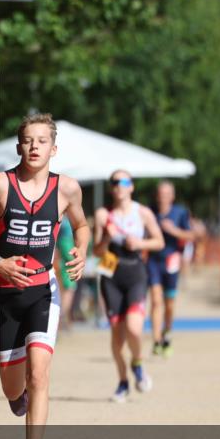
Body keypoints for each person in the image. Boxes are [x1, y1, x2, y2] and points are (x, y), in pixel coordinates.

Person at [0, 113, 89, 439]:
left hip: (44, 290)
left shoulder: (67, 189)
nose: (35, 146)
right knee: (14, 388)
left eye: (42, 140)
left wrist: (81, 250)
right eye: (28, 140)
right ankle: (17, 397)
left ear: (53, 149)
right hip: (5, 295)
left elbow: (82, 224)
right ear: (18, 146)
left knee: (39, 374)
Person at [93, 170, 164, 403]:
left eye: (124, 182)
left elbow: (159, 241)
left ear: (131, 186)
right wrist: (106, 237)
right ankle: (123, 382)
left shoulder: (142, 212)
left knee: (134, 328)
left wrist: (140, 242)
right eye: (114, 182)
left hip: (135, 271)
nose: (119, 186)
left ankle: (138, 363)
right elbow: (97, 251)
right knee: (117, 335)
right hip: (110, 269)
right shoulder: (104, 214)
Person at [147, 181, 194, 357]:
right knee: (156, 300)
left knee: (169, 304)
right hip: (153, 261)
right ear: (157, 195)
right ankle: (157, 340)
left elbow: (191, 235)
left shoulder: (180, 212)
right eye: (161, 193)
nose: (163, 197)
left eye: (167, 193)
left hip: (172, 261)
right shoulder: (150, 212)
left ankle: (167, 332)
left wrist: (173, 231)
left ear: (172, 196)